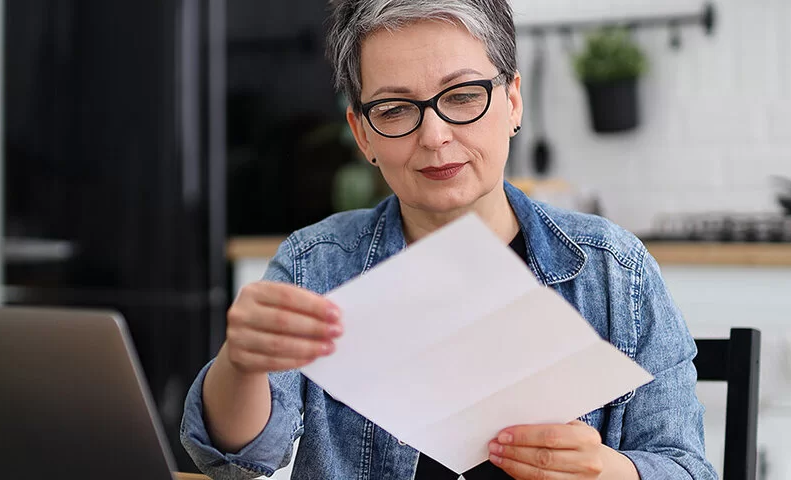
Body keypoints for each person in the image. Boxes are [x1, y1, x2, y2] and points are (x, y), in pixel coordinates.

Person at [180, 0, 715, 478]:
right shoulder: (314, 265)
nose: (434, 137)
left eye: (462, 96)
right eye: (394, 109)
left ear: (513, 101)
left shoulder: (615, 272)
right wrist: (241, 364)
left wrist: (606, 471)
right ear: (362, 132)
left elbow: (685, 465)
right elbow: (235, 460)